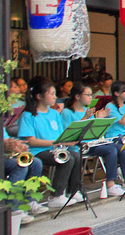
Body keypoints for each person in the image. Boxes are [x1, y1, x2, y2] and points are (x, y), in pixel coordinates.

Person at [17, 77, 82, 208]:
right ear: (39, 96)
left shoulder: (54, 113)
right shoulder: (28, 115)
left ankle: (72, 191)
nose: (55, 97)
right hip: (37, 151)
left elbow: (60, 134)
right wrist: (56, 143)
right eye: (51, 94)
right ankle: (55, 195)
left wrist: (67, 141)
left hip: (54, 148)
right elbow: (31, 141)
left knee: (75, 155)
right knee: (67, 159)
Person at [61, 83, 125, 196]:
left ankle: (118, 182)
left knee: (116, 148)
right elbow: (70, 133)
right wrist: (86, 117)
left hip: (91, 143)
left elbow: (95, 132)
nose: (91, 97)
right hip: (78, 146)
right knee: (111, 150)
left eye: (91, 94)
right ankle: (110, 184)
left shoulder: (87, 110)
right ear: (77, 96)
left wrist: (99, 119)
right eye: (88, 94)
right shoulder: (67, 112)